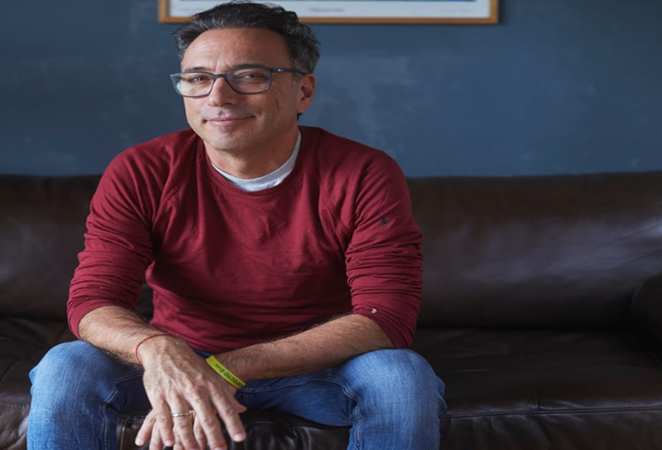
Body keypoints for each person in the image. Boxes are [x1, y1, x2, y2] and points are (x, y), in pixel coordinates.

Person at [28, 1, 446, 449]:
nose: (218, 98)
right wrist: (158, 350)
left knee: (400, 378)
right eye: (198, 79)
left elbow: (385, 318)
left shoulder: (363, 173)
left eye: (249, 76)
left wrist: (223, 369)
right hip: (178, 362)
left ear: (304, 92)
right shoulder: (142, 170)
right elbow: (93, 301)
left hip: (318, 368)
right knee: (65, 366)